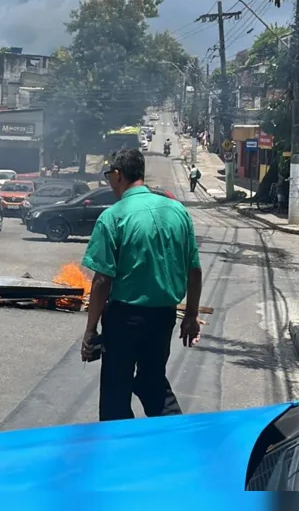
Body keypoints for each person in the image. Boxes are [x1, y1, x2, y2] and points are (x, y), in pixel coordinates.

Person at [79, 148, 202, 422]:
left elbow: (101, 281)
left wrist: (91, 329)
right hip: (164, 317)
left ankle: (120, 453)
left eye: (110, 175)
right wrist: (191, 316)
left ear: (119, 175)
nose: (110, 182)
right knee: (152, 381)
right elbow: (194, 270)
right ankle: (176, 440)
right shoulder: (177, 211)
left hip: (125, 319)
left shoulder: (113, 217)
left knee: (115, 392)